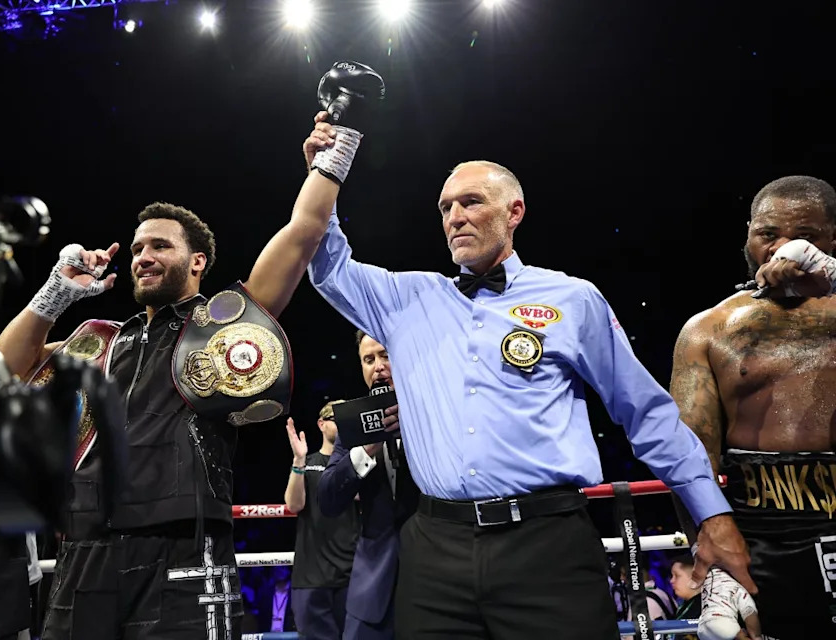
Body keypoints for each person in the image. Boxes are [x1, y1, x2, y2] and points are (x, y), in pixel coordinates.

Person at [296, 120, 755, 638]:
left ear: (514, 212)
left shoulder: (572, 299)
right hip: (434, 551)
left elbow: (645, 413)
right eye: (446, 208)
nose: (455, 218)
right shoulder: (408, 299)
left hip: (548, 545)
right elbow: (326, 264)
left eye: (470, 202)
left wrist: (712, 514)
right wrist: (325, 170)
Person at [0, 113, 341, 640]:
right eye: (136, 249)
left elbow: (302, 233)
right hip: (86, 544)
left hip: (185, 544)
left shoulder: (224, 323)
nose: (143, 257)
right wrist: (56, 292)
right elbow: (6, 368)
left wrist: (330, 159)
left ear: (197, 261)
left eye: (159, 246)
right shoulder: (100, 340)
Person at [670, 175, 836, 639]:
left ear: (831, 239)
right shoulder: (709, 330)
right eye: (768, 234)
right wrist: (716, 559)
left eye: (802, 235)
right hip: (761, 536)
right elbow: (691, 457)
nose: (781, 249)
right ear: (748, 235)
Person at [317, 331, 420, 640]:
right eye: (369, 359)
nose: (378, 367)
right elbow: (328, 499)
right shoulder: (352, 424)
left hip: (435, 583)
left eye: (385, 356)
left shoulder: (436, 414)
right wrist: (368, 448)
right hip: (372, 593)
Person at [283, 401, 360, 640]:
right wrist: (298, 461)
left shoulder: (360, 463)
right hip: (312, 577)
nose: (345, 422)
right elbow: (294, 505)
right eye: (339, 418)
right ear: (322, 424)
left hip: (353, 574)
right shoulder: (308, 464)